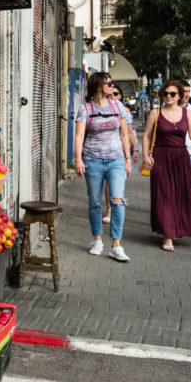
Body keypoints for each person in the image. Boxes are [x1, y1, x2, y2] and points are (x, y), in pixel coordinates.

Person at [141, 80, 191, 252]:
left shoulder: (188, 114)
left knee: (179, 195)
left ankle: (176, 228)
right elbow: (147, 136)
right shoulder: (155, 113)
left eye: (172, 94)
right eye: (165, 93)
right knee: (164, 195)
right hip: (161, 157)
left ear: (179, 95)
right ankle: (168, 236)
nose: (168, 96)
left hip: (181, 157)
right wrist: (145, 156)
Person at [74, 72, 133, 262]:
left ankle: (116, 244)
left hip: (116, 159)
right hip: (93, 159)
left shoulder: (118, 107)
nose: (112, 86)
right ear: (99, 86)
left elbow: (124, 135)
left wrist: (128, 159)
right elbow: (79, 136)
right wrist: (78, 159)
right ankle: (97, 240)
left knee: (118, 201)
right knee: (95, 202)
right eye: (109, 83)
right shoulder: (86, 109)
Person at [102, 86, 139, 224]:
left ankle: (117, 203)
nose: (112, 96)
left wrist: (135, 149)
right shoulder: (101, 108)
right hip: (107, 149)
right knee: (108, 182)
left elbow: (129, 132)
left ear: (120, 96)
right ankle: (109, 209)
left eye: (116, 94)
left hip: (122, 149)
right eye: (110, 94)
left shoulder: (125, 111)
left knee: (118, 180)